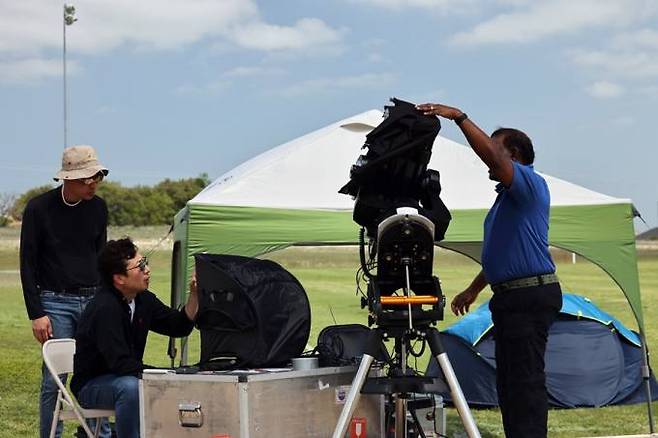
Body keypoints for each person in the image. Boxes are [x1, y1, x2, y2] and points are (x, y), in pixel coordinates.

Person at [417, 102, 562, 438]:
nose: (486, 158)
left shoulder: (529, 184)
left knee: (524, 383)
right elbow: (505, 254)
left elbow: (493, 157)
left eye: (495, 148)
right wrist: (475, 288)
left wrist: (459, 118)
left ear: (515, 154)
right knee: (510, 384)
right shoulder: (506, 200)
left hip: (528, 296)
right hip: (512, 297)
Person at [20, 145, 110, 438]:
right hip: (54, 302)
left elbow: (101, 258)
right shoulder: (38, 208)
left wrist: (106, 301)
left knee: (100, 370)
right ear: (68, 179)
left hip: (94, 299)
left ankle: (99, 433)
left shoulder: (99, 208)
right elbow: (27, 264)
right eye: (87, 178)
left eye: (96, 177)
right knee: (54, 379)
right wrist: (37, 313)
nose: (93, 183)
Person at [71, 237, 199, 438]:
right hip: (91, 385)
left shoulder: (143, 300)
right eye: (140, 266)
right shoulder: (104, 308)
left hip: (128, 377)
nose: (147, 269)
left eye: (145, 262)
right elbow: (120, 363)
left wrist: (195, 295)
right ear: (119, 278)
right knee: (131, 388)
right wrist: (164, 373)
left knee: (139, 384)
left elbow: (179, 326)